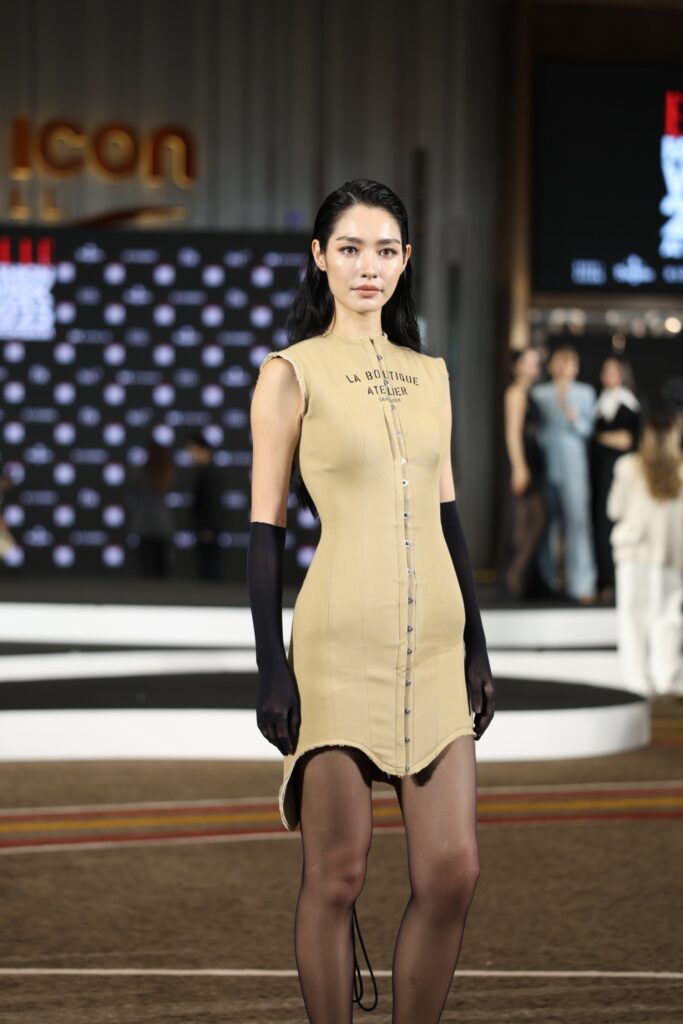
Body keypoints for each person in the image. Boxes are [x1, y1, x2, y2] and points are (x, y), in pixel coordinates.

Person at [247, 178, 495, 1024]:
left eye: (385, 250)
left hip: (436, 645)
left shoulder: (431, 376)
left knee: (452, 871)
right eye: (350, 248)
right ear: (319, 256)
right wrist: (269, 666)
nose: (368, 266)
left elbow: (447, 516)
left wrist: (476, 646)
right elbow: (264, 529)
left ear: (405, 260)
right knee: (337, 875)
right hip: (335, 646)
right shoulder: (290, 373)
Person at [607, 411, 683, 697]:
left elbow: (614, 509)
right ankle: (667, 679)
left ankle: (636, 682)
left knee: (632, 619)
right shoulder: (679, 471)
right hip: (669, 557)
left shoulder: (627, 467)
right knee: (667, 618)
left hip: (633, 554)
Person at [532, 345, 598, 603]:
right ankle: (548, 581)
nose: (564, 366)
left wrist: (575, 420)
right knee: (548, 525)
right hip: (548, 464)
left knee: (578, 523)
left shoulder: (585, 392)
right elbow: (537, 429)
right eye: (560, 361)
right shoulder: (540, 393)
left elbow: (588, 430)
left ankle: (582, 583)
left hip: (574, 465)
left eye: (570, 362)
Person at [591, 357, 641, 602]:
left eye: (614, 371)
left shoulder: (629, 404)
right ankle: (605, 580)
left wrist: (603, 439)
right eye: (605, 370)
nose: (608, 375)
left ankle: (624, 580)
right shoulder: (598, 404)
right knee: (601, 524)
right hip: (599, 474)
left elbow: (629, 441)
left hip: (621, 474)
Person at [500, 347, 548, 599]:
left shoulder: (529, 392)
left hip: (533, 462)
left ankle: (519, 579)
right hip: (524, 462)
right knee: (531, 520)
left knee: (528, 521)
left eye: (536, 363)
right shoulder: (515, 393)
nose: (534, 367)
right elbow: (512, 431)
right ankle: (514, 577)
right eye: (529, 362)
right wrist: (519, 467)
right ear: (516, 366)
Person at [126, 442, 175, 578]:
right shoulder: (164, 472)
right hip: (157, 522)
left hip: (150, 522)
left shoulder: (146, 472)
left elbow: (133, 494)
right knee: (157, 564)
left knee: (150, 564)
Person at [185, 432, 224, 581]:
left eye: (193, 450)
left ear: (202, 449)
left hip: (209, 529)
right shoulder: (202, 471)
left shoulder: (211, 472)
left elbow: (213, 502)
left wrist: (209, 528)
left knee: (210, 571)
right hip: (203, 528)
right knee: (204, 569)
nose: (191, 455)